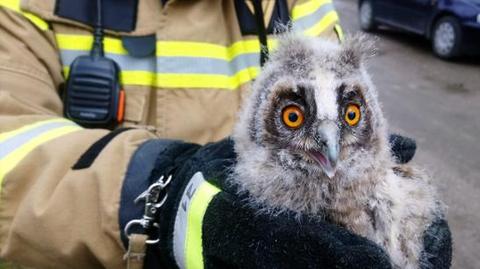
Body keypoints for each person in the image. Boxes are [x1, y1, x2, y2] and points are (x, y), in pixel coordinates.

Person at [0, 0, 451, 268]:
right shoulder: (27, 7)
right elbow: (10, 148)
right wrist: (162, 198)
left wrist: (388, 205)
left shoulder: (292, 2)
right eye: (290, 117)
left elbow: (344, 110)